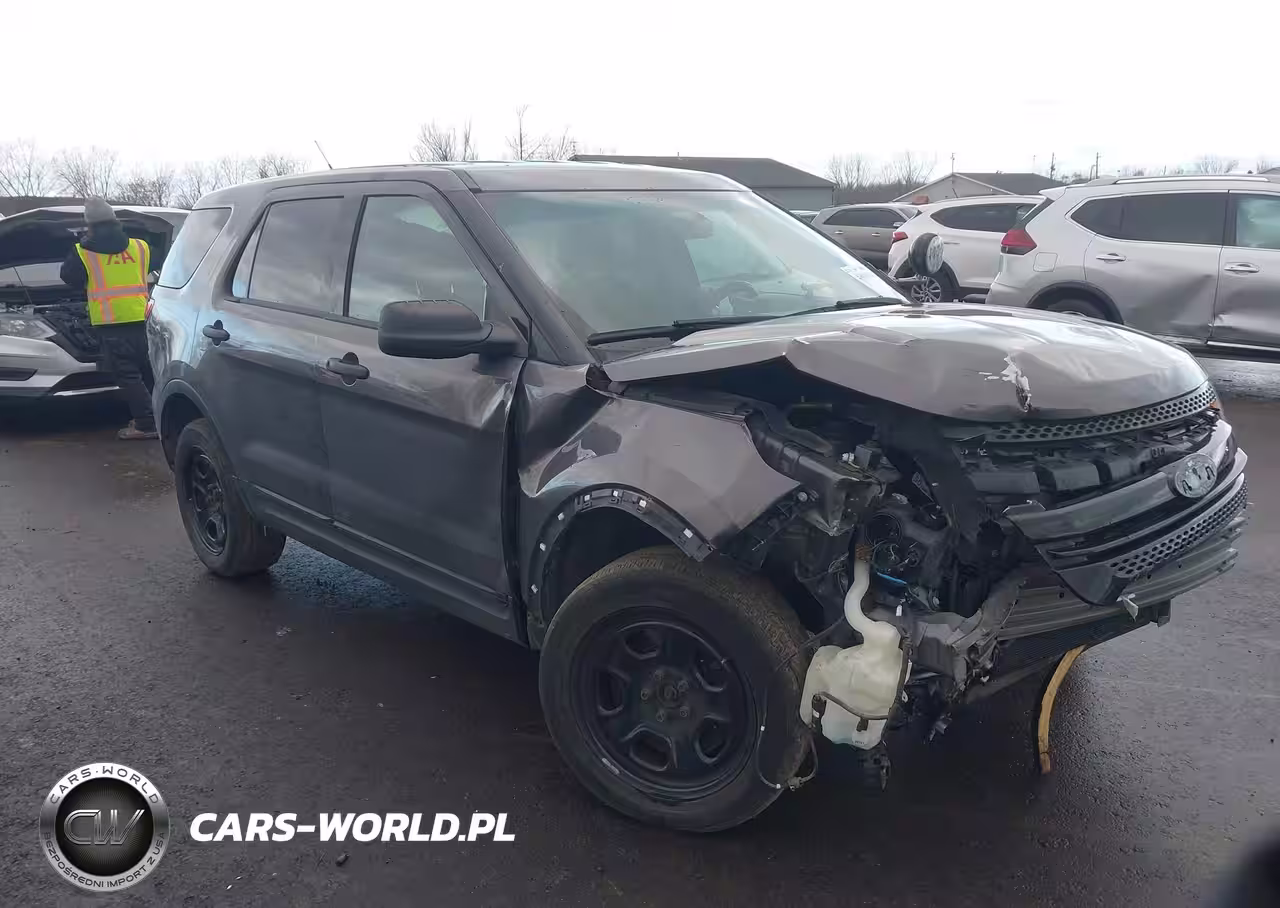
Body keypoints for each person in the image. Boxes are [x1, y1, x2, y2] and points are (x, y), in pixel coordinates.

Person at [60, 198, 158, 440]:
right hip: (143, 318)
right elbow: (157, 266)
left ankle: (146, 424)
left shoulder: (82, 252)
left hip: (111, 323)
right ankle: (160, 415)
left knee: (127, 375)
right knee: (148, 371)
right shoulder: (141, 246)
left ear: (89, 224)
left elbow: (69, 278)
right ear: (115, 220)